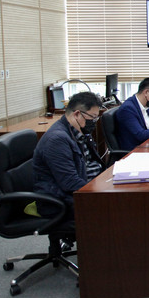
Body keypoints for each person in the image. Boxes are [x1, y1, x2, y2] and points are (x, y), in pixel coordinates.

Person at [33, 91, 104, 222]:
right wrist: (101, 194)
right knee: (118, 208)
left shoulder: (79, 132)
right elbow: (70, 183)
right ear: (77, 114)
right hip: (62, 201)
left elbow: (91, 163)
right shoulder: (57, 140)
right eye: (92, 117)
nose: (94, 122)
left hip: (85, 188)